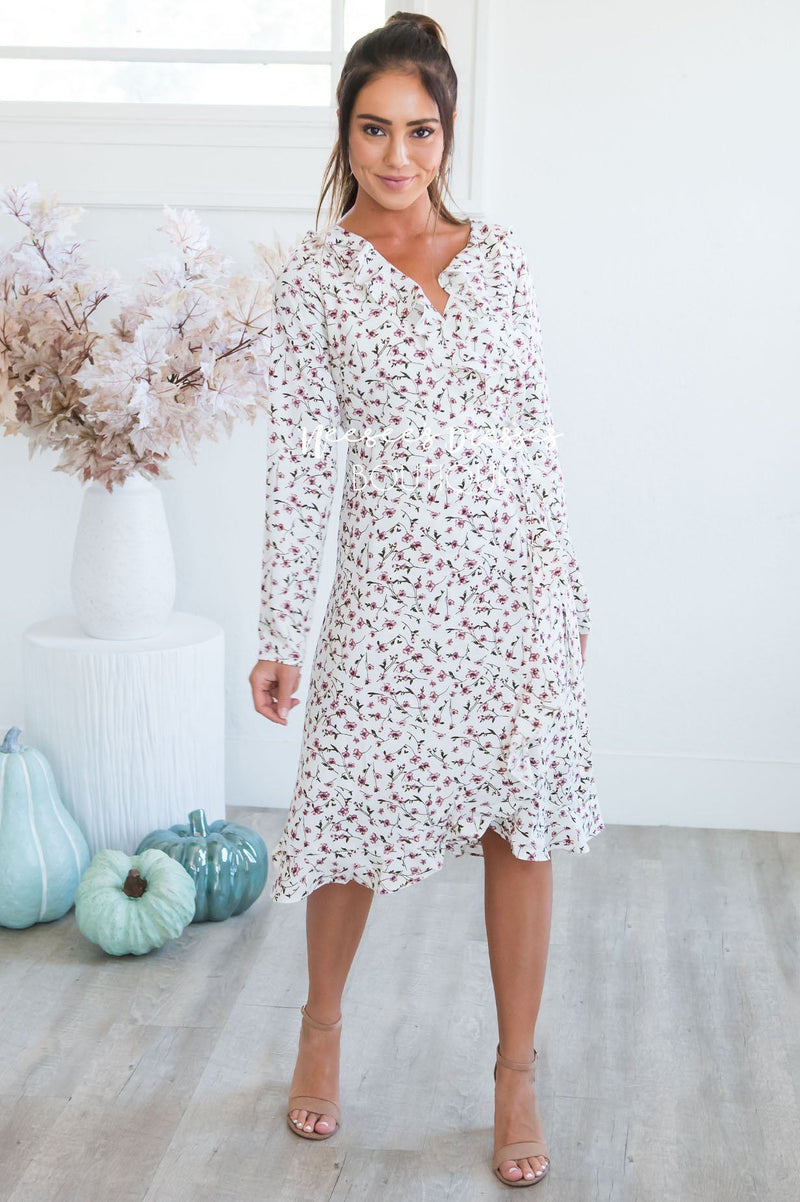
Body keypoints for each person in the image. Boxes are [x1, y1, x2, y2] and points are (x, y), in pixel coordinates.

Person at [248, 11, 604, 1188]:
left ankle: (513, 1074)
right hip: (387, 593)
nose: (395, 155)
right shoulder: (316, 278)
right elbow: (300, 463)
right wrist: (279, 630)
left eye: (418, 130)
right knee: (349, 810)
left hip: (509, 588)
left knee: (518, 821)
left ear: (447, 135)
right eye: (373, 129)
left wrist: (563, 591)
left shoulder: (500, 257)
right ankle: (320, 1029)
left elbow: (535, 432)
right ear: (343, 134)